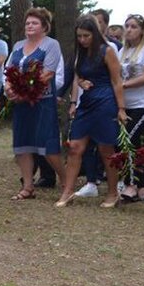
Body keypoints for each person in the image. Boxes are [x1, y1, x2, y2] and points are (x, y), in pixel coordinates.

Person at [56, 15, 127, 208]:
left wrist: (121, 108)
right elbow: (77, 76)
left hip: (105, 103)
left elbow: (116, 81)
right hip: (86, 103)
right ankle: (68, 191)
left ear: (94, 34)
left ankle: (113, 193)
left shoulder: (107, 51)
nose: (82, 40)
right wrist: (80, 82)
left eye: (86, 36)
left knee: (106, 149)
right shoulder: (80, 53)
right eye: (79, 36)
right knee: (75, 147)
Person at [6, 7, 65, 199]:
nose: (29, 26)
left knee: (47, 146)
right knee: (22, 145)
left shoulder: (51, 45)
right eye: (27, 23)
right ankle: (28, 187)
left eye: (34, 23)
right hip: (21, 104)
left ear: (45, 26)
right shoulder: (18, 45)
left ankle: (66, 183)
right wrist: (9, 89)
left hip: (42, 102)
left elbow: (46, 74)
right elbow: (8, 70)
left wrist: (25, 93)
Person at [116, 14, 144, 203]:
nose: (129, 29)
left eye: (133, 26)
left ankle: (131, 184)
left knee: (130, 141)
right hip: (127, 104)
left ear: (142, 30)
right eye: (127, 26)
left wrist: (124, 85)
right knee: (141, 144)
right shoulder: (122, 51)